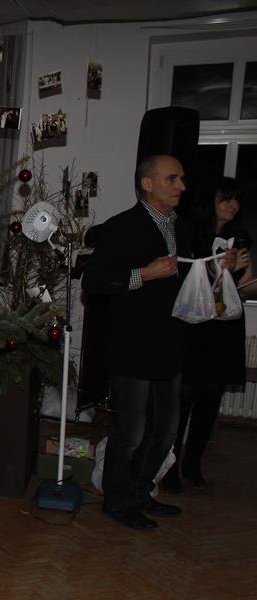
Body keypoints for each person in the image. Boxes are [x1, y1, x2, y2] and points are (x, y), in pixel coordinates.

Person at [82, 154, 189, 530]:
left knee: (166, 429)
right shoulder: (121, 227)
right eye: (172, 179)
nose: (181, 186)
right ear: (148, 183)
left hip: (171, 345)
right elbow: (94, 281)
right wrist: (145, 273)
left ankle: (141, 492)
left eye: (181, 179)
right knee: (131, 432)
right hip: (133, 347)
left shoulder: (183, 228)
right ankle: (117, 500)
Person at [164, 177, 249, 492]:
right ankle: (169, 465)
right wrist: (218, 268)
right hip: (195, 323)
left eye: (236, 200)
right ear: (209, 201)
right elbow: (184, 277)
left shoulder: (240, 237)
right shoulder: (190, 232)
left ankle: (193, 463)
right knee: (184, 397)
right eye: (226, 198)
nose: (233, 205)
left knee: (211, 398)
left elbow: (244, 286)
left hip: (224, 325)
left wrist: (240, 273)